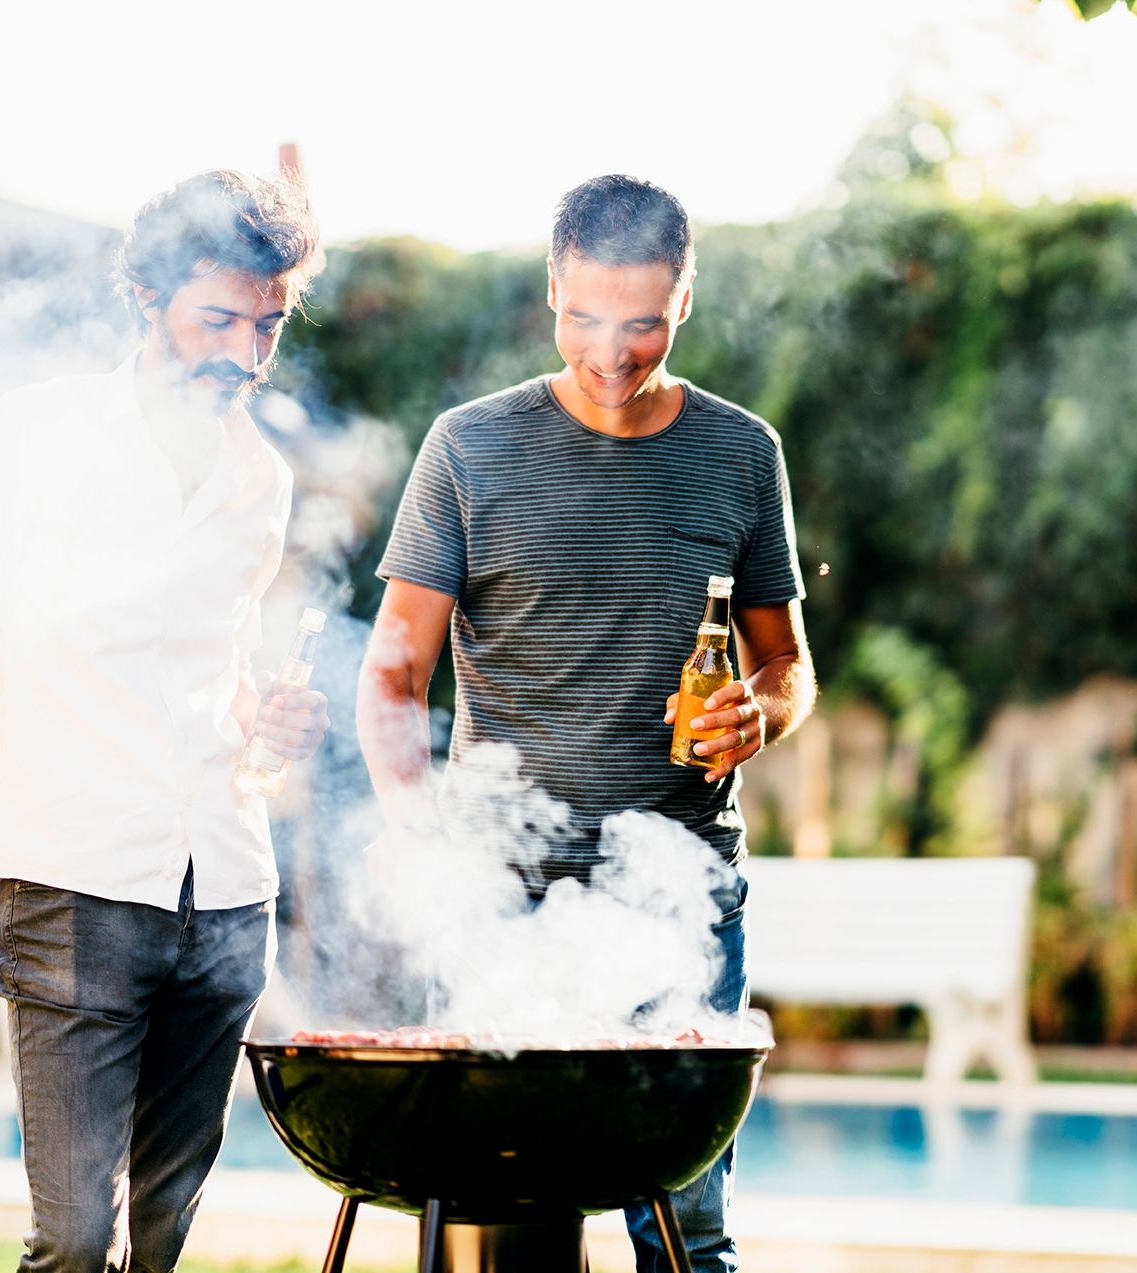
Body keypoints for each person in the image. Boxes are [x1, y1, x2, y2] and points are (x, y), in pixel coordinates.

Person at [357, 173, 816, 1273]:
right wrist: (424, 834)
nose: (612, 351)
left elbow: (789, 666)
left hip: (682, 889)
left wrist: (763, 714)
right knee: (494, 1225)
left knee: (687, 1230)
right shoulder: (469, 448)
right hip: (503, 895)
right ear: (552, 289)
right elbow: (390, 676)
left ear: (686, 300)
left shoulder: (742, 452)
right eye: (586, 317)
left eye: (644, 322)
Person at [0, 170, 332, 1273]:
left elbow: (214, 676)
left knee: (159, 1239)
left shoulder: (260, 479)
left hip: (228, 890)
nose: (246, 352)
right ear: (146, 296)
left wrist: (265, 720)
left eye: (270, 325)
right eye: (220, 319)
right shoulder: (33, 437)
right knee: (75, 1238)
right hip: (72, 887)